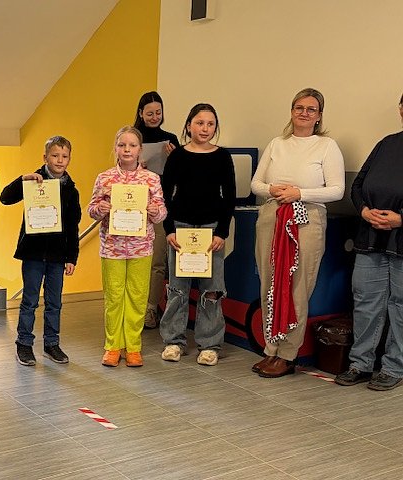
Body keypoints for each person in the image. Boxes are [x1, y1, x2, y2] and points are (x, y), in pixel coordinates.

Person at [251, 88, 345, 378]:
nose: (304, 113)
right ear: (291, 111)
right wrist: (273, 190)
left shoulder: (327, 146)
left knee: (297, 288)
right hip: (273, 215)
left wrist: (300, 193)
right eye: (299, 107)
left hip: (307, 219)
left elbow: (337, 190)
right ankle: (271, 349)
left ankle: (288, 354)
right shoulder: (276, 144)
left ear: (319, 116)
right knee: (270, 283)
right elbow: (256, 183)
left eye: (311, 109)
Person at [335, 93, 403, 391]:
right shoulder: (386, 144)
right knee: (365, 301)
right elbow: (358, 184)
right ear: (400, 110)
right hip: (371, 236)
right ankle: (360, 364)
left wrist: (400, 219)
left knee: (400, 306)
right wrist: (363, 210)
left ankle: (394, 367)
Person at [158, 104, 236, 366]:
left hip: (211, 231)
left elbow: (229, 198)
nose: (205, 129)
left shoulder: (222, 156)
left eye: (210, 124)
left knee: (211, 290)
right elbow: (165, 195)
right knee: (177, 288)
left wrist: (222, 232)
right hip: (180, 229)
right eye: (200, 123)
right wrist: (169, 229)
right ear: (189, 125)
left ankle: (210, 344)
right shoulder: (177, 156)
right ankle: (173, 341)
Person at [88, 126, 167, 367]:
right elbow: (92, 209)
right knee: (114, 297)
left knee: (137, 297)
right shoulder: (104, 178)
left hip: (141, 248)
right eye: (122, 145)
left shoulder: (151, 179)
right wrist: (99, 209)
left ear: (140, 150)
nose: (127, 150)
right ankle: (112, 346)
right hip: (112, 247)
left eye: (132, 145)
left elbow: (162, 213)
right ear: (115, 148)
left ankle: (133, 347)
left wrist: (154, 211)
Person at [0, 136, 82, 366]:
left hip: (58, 256)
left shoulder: (71, 191)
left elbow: (73, 226)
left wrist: (72, 257)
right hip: (33, 254)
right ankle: (24, 344)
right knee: (30, 300)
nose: (60, 160)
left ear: (69, 159)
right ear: (45, 157)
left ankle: (51, 344)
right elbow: (5, 198)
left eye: (64, 156)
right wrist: (22, 180)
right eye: (55, 155)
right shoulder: (32, 181)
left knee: (54, 302)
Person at [133, 91, 181, 329]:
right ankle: (132, 306)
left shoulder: (170, 139)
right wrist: (135, 167)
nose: (154, 117)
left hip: (161, 206)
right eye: (149, 113)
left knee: (158, 261)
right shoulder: (132, 137)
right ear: (141, 113)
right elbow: (117, 172)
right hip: (134, 207)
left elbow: (181, 177)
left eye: (158, 113)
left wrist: (175, 159)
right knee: (133, 259)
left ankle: (150, 309)